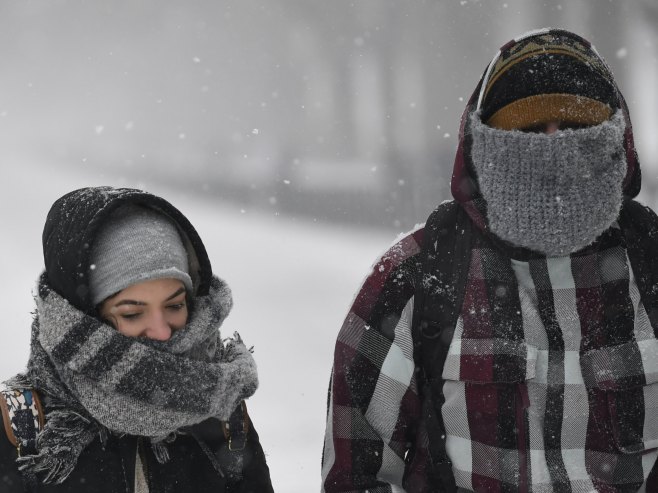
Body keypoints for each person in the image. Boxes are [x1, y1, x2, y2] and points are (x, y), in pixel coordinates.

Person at [321, 28, 658, 492]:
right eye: (528, 130)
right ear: (487, 144)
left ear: (613, 138)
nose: (553, 147)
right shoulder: (416, 277)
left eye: (576, 127)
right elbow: (357, 474)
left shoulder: (652, 265)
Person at [0, 186, 274, 492]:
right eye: (132, 313)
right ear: (80, 317)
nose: (161, 331)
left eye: (174, 305)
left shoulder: (222, 415)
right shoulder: (24, 432)